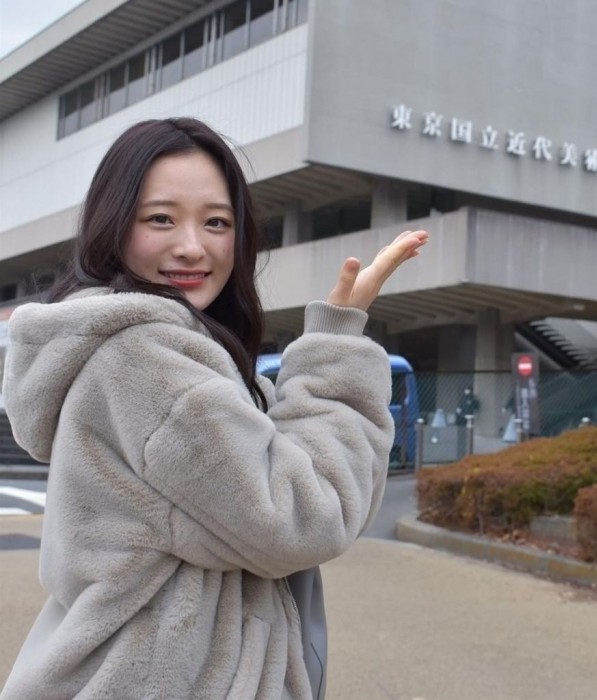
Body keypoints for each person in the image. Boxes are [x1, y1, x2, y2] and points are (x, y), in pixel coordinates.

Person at [1, 117, 428, 699]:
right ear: (113, 226)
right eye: (160, 218)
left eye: (217, 222)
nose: (192, 246)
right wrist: (335, 350)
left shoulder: (134, 348)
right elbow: (304, 519)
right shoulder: (144, 359)